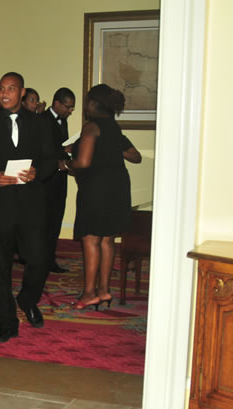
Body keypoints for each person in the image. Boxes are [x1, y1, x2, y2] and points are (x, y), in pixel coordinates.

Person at [0, 72, 56, 343]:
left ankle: (28, 300)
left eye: (11, 88)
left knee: (39, 259)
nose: (4, 93)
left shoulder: (40, 124)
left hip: (31, 205)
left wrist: (37, 172)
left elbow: (52, 159)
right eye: (1, 88)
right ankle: (5, 322)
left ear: (22, 92)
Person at [59, 84, 141, 310]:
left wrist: (64, 164)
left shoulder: (91, 128)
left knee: (91, 239)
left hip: (97, 189)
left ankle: (88, 294)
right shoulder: (114, 127)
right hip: (118, 187)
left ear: (94, 104)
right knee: (107, 239)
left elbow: (83, 163)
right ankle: (104, 291)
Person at [42, 87, 76, 274]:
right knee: (45, 222)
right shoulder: (42, 120)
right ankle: (42, 260)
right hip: (46, 180)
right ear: (57, 103)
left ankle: (50, 259)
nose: (70, 111)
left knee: (56, 221)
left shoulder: (63, 121)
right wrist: (65, 151)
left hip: (60, 180)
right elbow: (44, 150)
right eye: (68, 107)